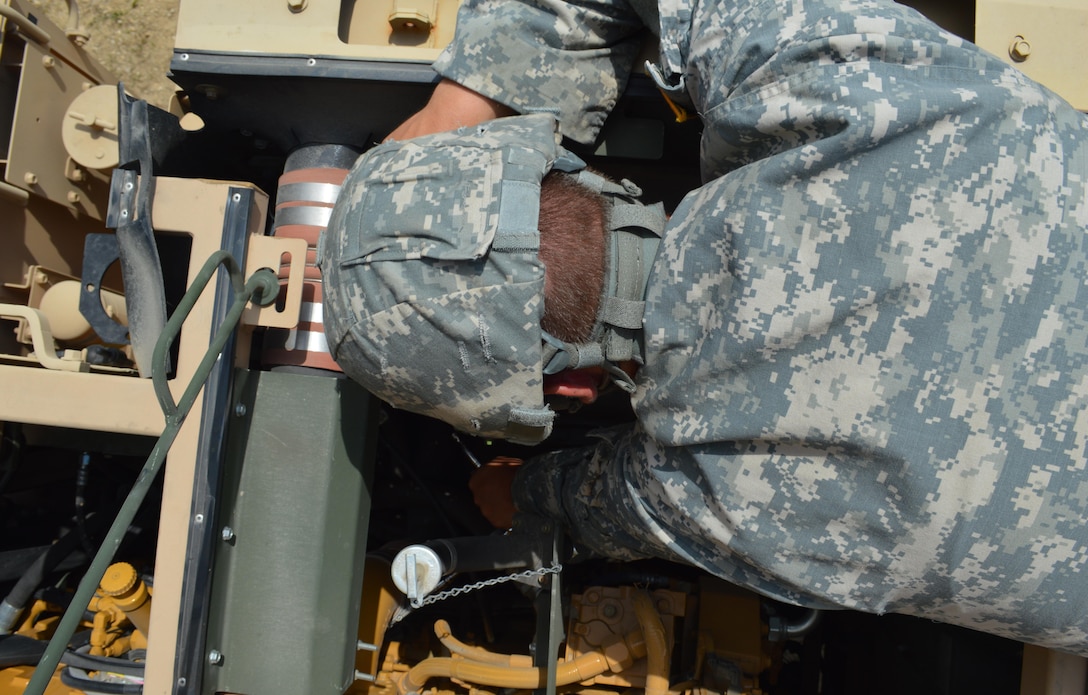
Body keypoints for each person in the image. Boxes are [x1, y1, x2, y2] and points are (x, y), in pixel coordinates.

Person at [319, 0, 1088, 657]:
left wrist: (518, 490)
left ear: (576, 384)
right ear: (574, 172)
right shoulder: (812, 83)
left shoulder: (720, 493)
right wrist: (468, 103)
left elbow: (580, 504)